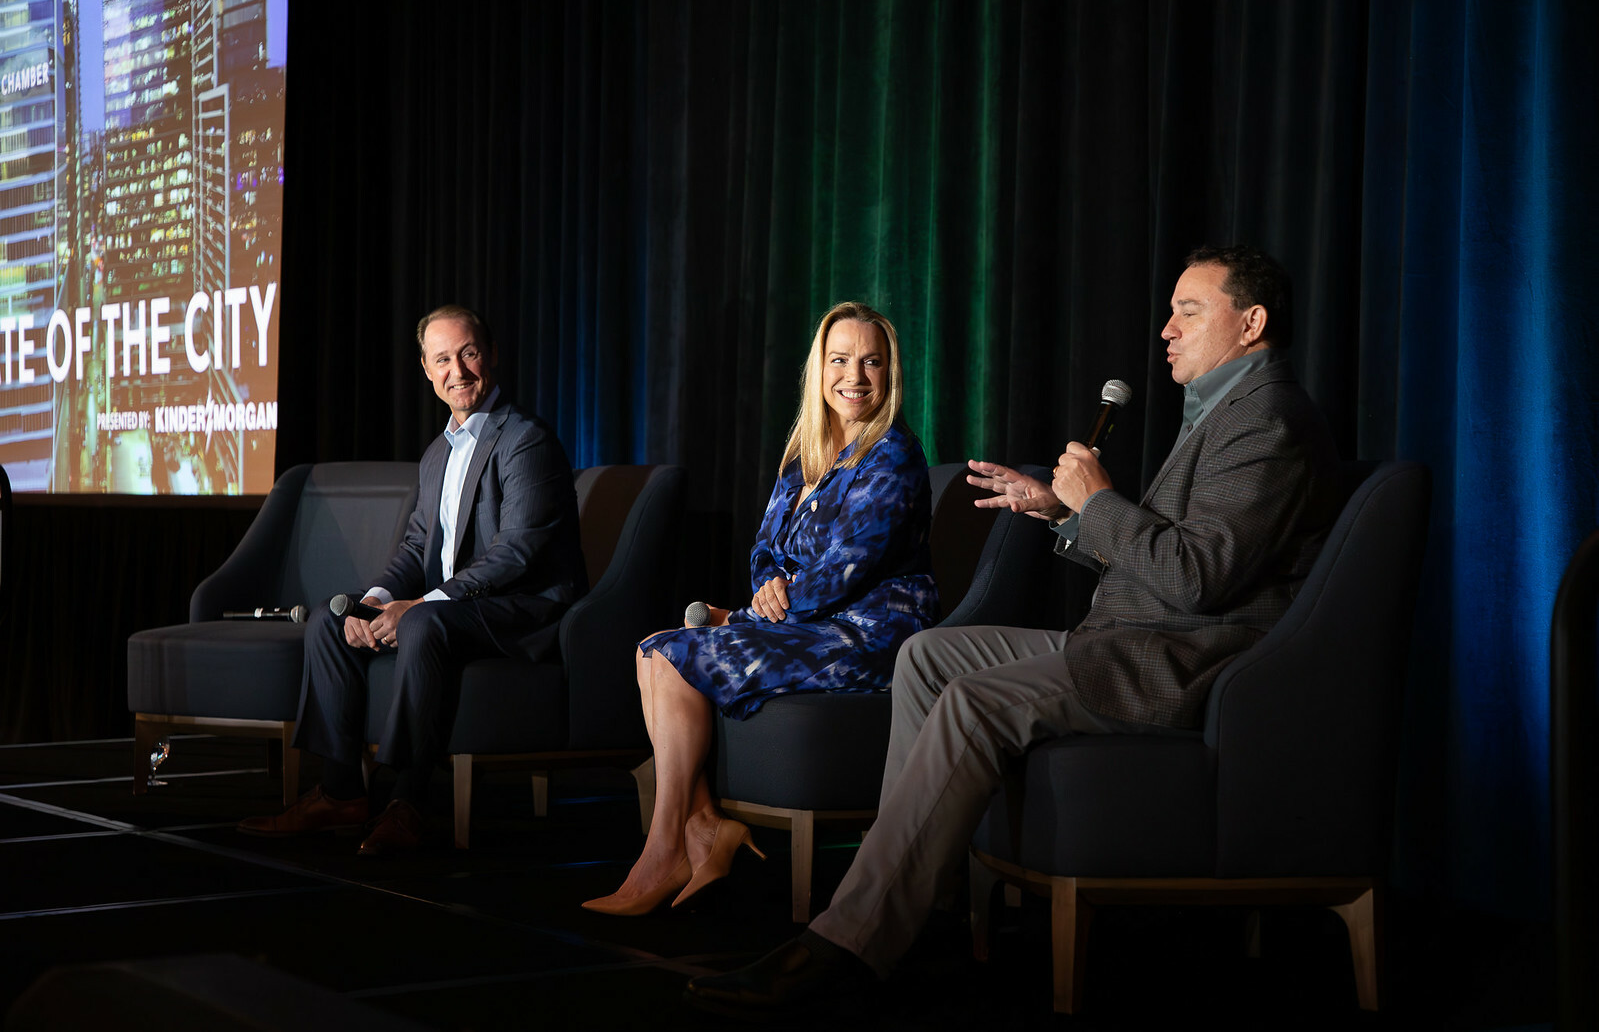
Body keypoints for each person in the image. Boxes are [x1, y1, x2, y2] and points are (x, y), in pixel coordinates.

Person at [685, 245, 1343, 1012]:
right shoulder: (1227, 409)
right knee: (930, 656)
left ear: (1250, 322)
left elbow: (1197, 579)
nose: (1165, 329)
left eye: (1187, 312)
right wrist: (1064, 511)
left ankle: (854, 937)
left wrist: (1098, 502)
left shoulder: (1267, 421)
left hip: (1173, 661)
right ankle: (921, 897)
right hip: (1131, 634)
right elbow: (1166, 562)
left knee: (972, 700)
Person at [583, 302, 939, 916]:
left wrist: (746, 617)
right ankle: (701, 828)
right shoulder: (806, 455)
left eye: (871, 362)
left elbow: (845, 571)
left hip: (869, 634)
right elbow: (765, 549)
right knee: (651, 650)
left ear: (890, 373)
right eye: (840, 360)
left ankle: (664, 848)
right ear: (819, 369)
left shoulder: (894, 457)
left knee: (671, 654)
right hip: (808, 624)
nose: (854, 376)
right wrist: (767, 584)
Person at [239, 305, 585, 854]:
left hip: (521, 609)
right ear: (426, 370)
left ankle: (408, 801)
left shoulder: (525, 440)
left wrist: (422, 603)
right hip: (453, 606)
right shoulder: (436, 454)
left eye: (469, 353)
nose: (458, 371)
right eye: (442, 359)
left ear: (492, 355)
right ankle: (340, 792)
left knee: (422, 623)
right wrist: (376, 600)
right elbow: (416, 547)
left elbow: (515, 555)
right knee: (332, 620)